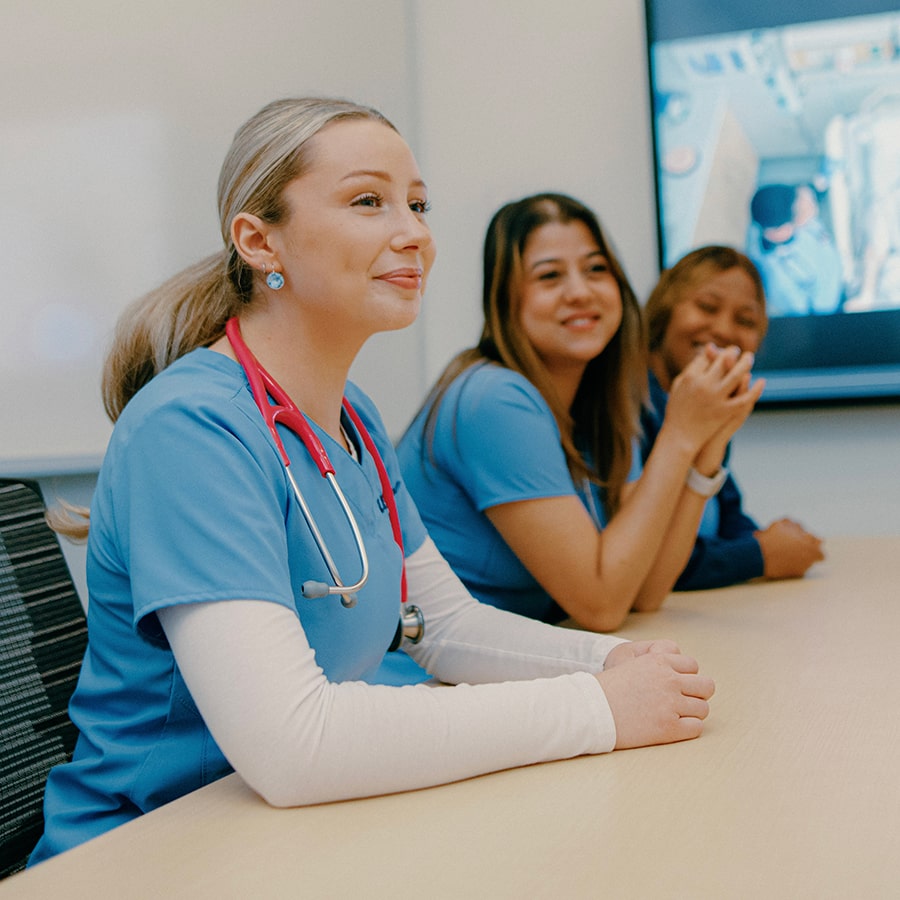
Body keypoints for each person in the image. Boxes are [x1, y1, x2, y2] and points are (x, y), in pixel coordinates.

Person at [30, 100, 717, 865]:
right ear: (259, 241)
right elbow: (294, 745)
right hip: (148, 853)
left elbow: (446, 627)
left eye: (418, 204)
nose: (415, 232)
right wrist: (596, 709)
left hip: (291, 835)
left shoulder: (348, 414)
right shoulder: (190, 430)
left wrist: (609, 663)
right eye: (369, 201)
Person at [397, 193, 763, 633]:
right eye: (549, 276)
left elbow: (646, 590)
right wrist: (680, 434)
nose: (580, 292)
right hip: (425, 683)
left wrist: (709, 441)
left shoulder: (601, 401)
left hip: (509, 670)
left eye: (596, 270)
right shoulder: (494, 399)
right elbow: (602, 606)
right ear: (505, 300)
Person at [642, 245, 825, 589]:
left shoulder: (709, 406)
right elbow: (645, 560)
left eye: (745, 321)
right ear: (664, 310)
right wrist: (760, 554)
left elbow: (727, 515)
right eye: (706, 307)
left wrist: (763, 540)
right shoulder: (625, 410)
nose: (724, 330)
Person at [747, 183, 844, 316]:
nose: (809, 208)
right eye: (801, 213)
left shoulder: (796, 222)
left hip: (841, 274)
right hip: (835, 308)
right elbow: (806, 312)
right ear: (780, 230)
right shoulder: (778, 279)